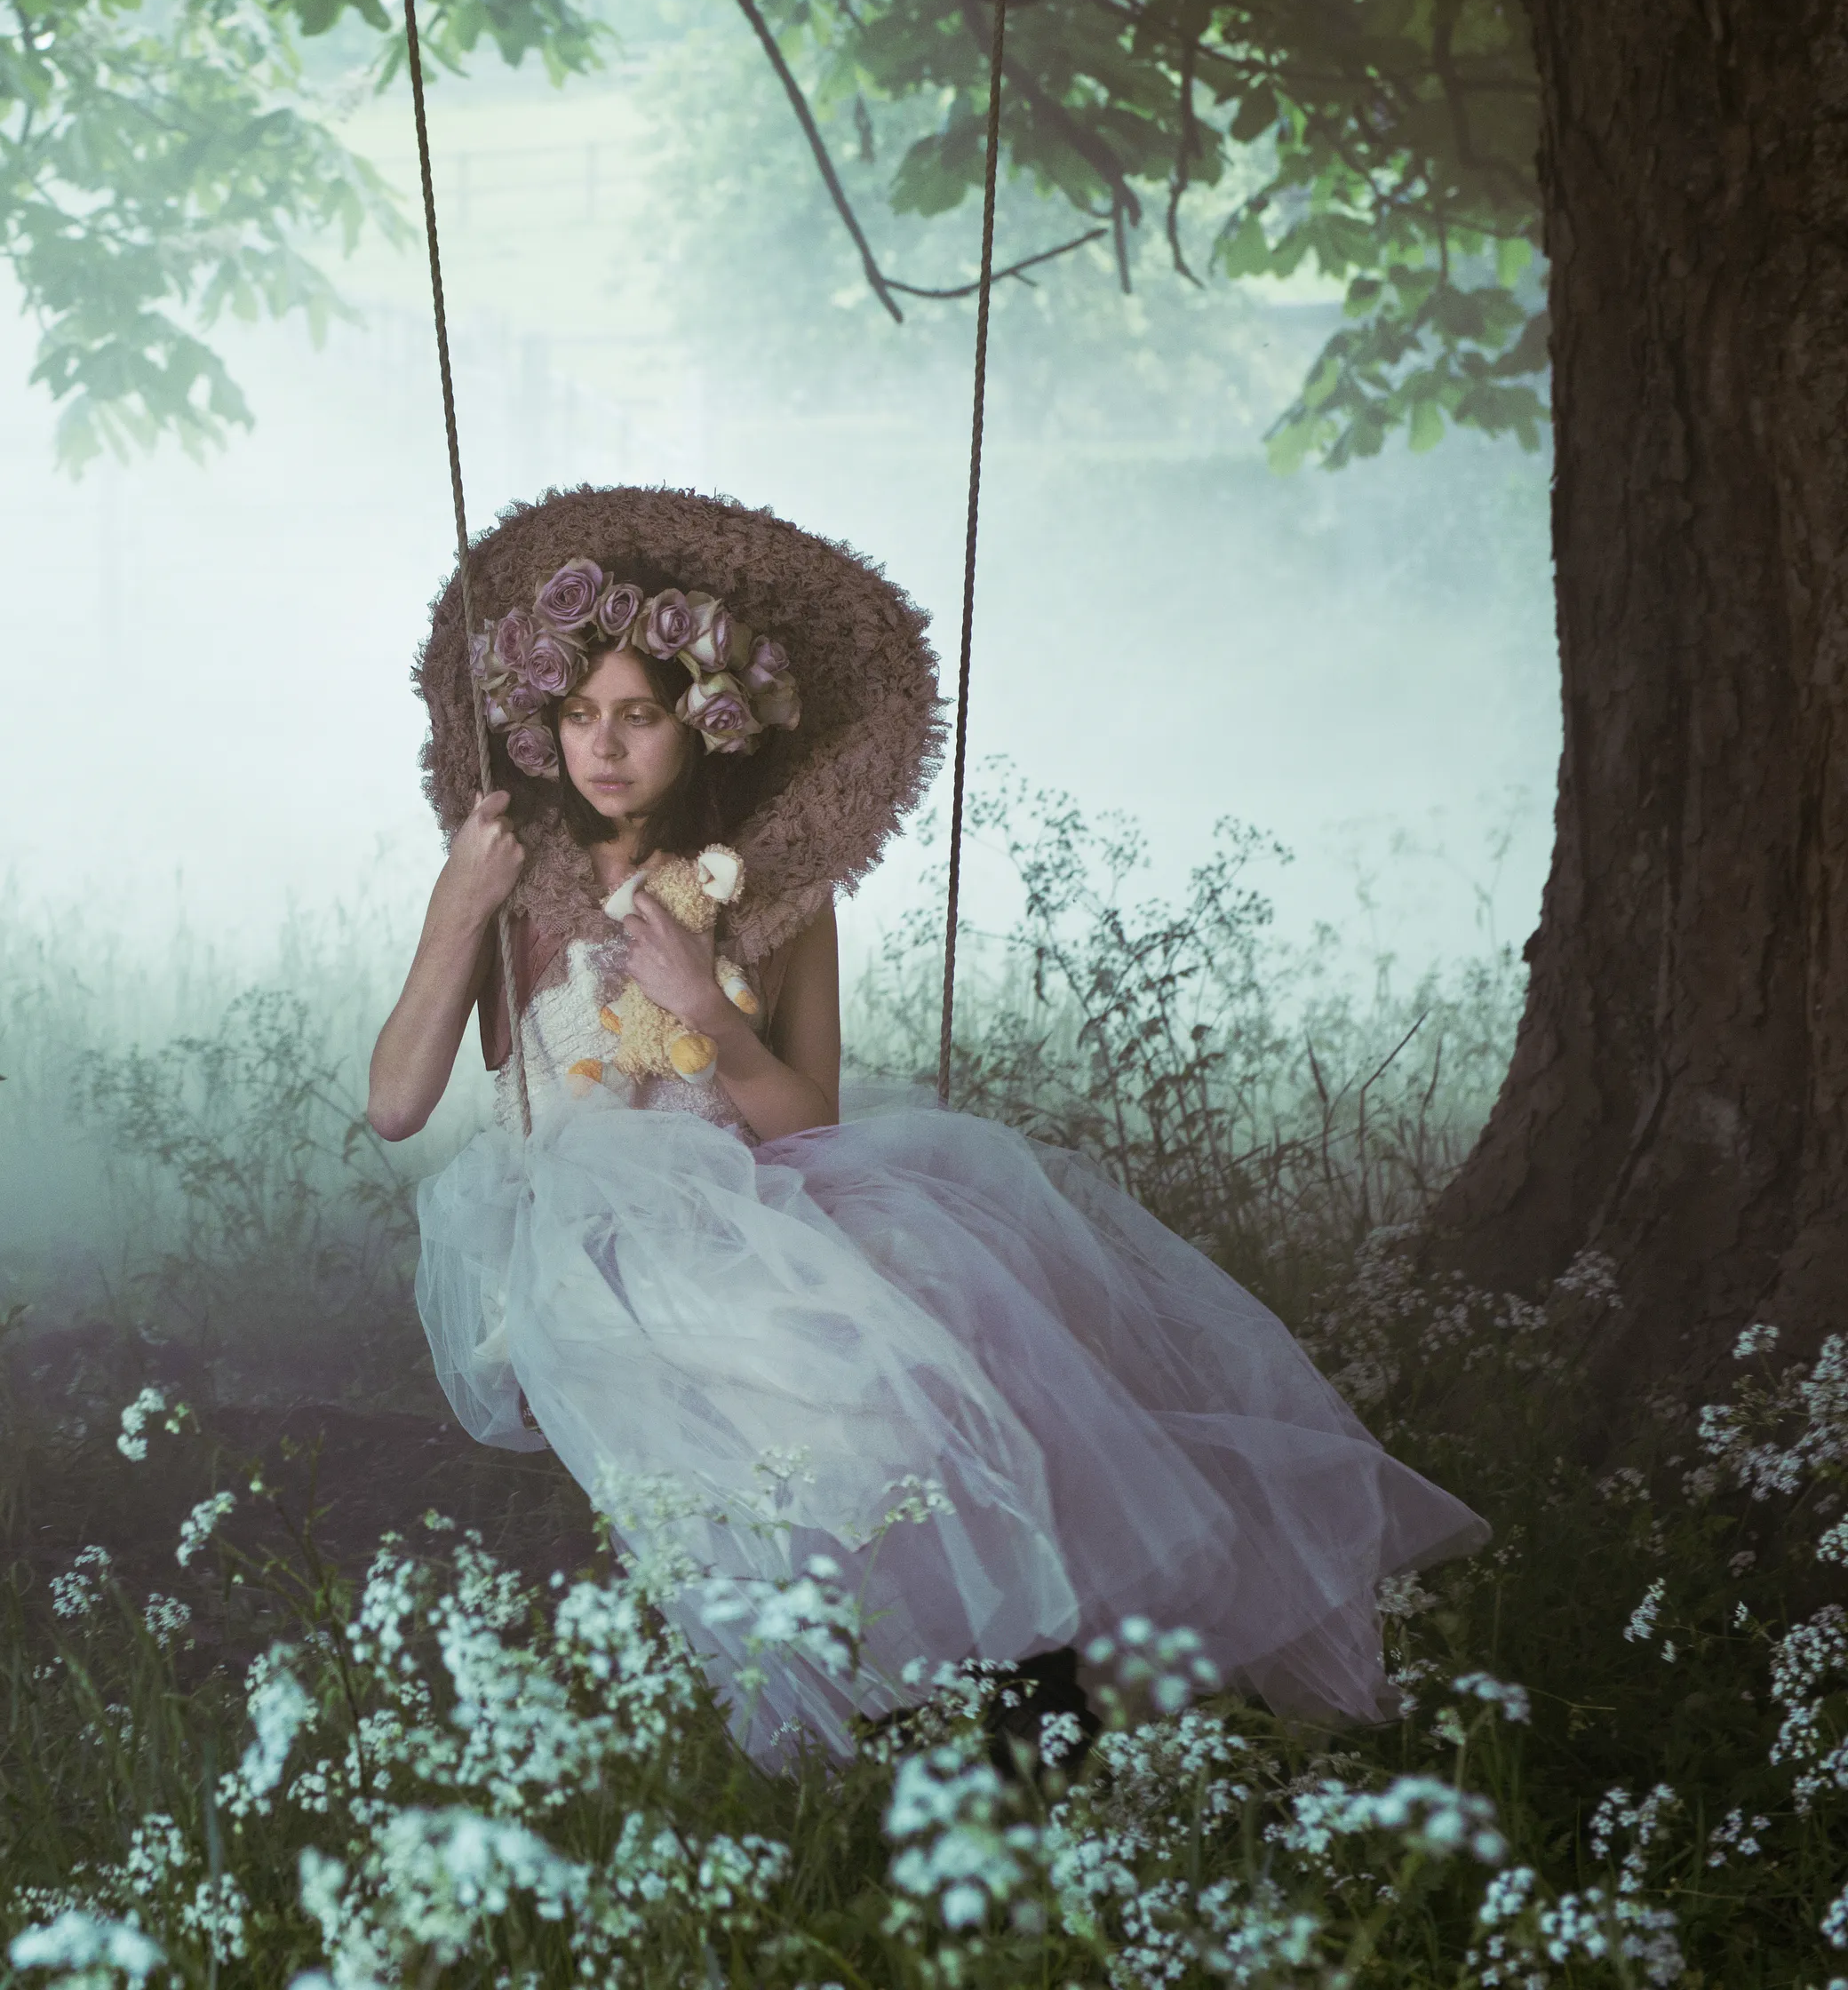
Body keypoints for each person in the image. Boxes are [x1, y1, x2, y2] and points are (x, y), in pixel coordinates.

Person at [368, 482, 1487, 1771]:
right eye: (577, 716)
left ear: (707, 725)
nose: (603, 747)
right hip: (582, 1240)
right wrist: (461, 905)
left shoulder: (780, 899)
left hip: (752, 1207)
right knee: (857, 1409)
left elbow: (808, 1117)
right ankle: (941, 1704)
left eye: (639, 714)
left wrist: (711, 1020)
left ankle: (1042, 1696)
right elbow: (398, 1102)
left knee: (973, 1351)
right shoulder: (510, 891)